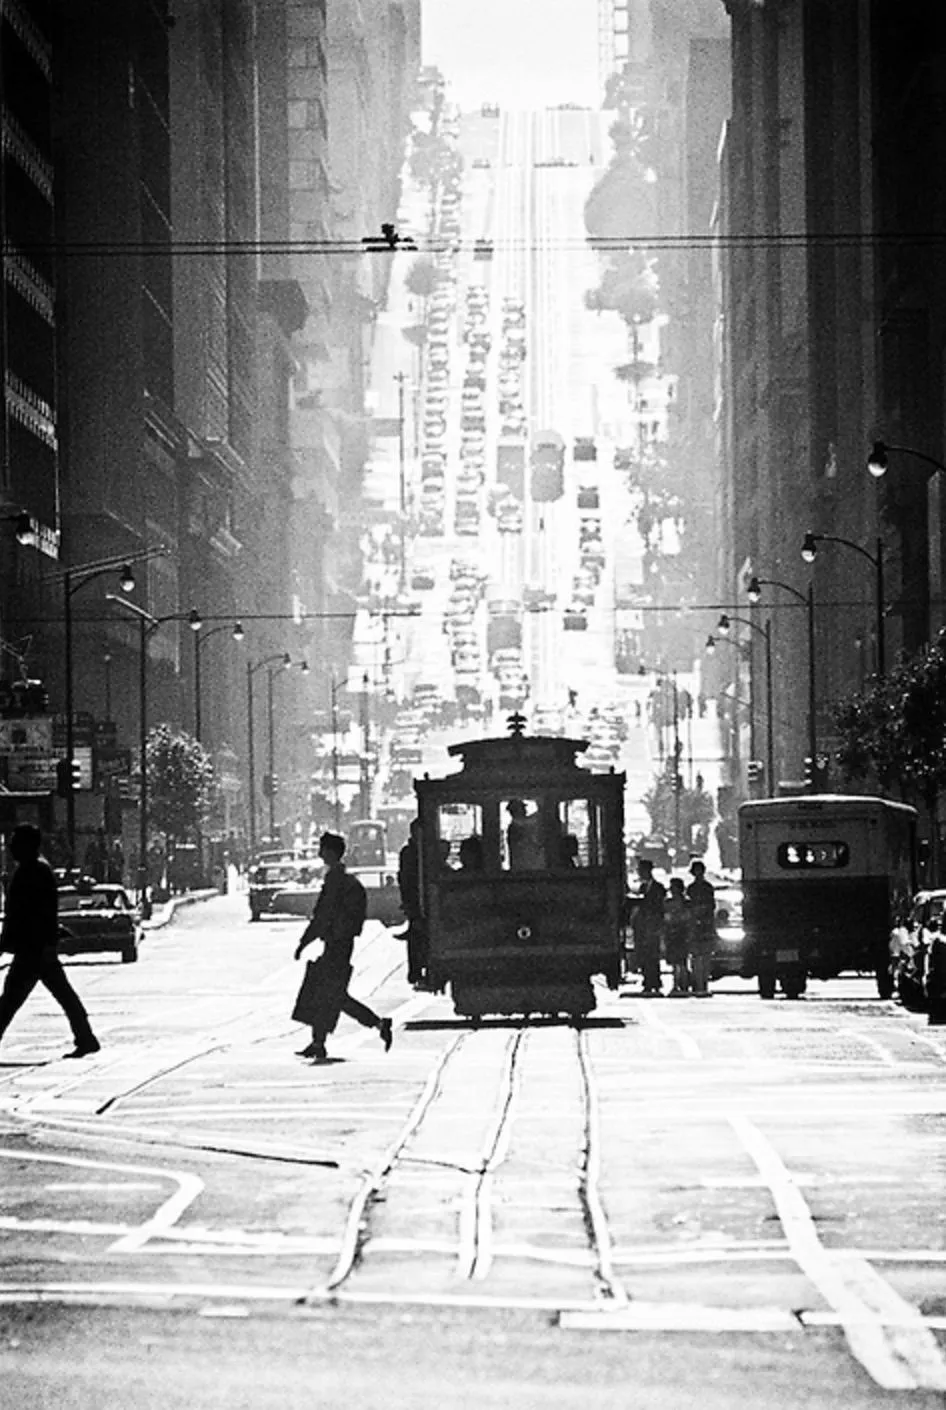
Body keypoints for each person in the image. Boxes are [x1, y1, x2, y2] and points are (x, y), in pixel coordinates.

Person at [291, 832, 393, 1062]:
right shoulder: (344, 881)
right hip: (340, 943)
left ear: (331, 852)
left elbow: (322, 915)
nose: (320, 853)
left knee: (333, 994)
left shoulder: (336, 881)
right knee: (325, 991)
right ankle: (318, 1043)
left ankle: (378, 1023)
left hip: (337, 944)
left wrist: (304, 942)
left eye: (323, 849)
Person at [0, 823, 100, 1058]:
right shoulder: (35, 869)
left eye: (15, 842)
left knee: (10, 1000)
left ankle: (86, 1038)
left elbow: (29, 912)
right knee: (61, 995)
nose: (11, 847)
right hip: (37, 947)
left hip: (33, 948)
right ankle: (86, 1037)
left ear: (27, 845)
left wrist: (8, 941)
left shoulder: (33, 871)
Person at [397, 819, 428, 988]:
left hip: (423, 897)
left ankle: (419, 968)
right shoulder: (409, 853)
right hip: (414, 898)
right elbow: (405, 878)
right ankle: (415, 969)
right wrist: (407, 901)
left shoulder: (426, 849)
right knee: (415, 934)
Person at [633, 858, 666, 996]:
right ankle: (647, 980)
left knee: (653, 954)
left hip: (653, 926)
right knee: (644, 954)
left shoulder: (658, 888)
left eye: (641, 870)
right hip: (642, 926)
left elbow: (660, 907)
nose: (639, 873)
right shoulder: (642, 888)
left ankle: (655, 981)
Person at [686, 859, 716, 997]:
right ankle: (698, 982)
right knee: (697, 955)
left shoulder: (706, 888)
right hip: (696, 925)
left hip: (704, 925)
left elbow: (711, 906)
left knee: (704, 956)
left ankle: (703, 982)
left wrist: (699, 912)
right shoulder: (692, 888)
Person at [664, 877, 691, 996]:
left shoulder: (686, 903)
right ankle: (677, 983)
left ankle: (682, 983)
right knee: (675, 961)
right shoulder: (668, 903)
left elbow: (688, 918)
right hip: (672, 934)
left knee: (681, 960)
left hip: (681, 933)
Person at [506, 800, 544, 870]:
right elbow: (538, 816)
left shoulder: (522, 824)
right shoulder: (516, 826)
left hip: (529, 865)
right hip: (526, 866)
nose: (525, 810)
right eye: (522, 808)